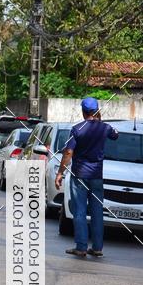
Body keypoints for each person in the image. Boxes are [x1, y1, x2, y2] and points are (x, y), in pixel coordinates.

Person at [55, 96, 119, 258]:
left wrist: (60, 172)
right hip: (97, 175)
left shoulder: (77, 129)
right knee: (97, 211)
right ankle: (97, 248)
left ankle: (81, 247)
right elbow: (115, 135)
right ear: (97, 111)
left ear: (83, 112)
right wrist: (100, 121)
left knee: (80, 211)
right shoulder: (105, 128)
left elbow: (68, 152)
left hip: (79, 175)